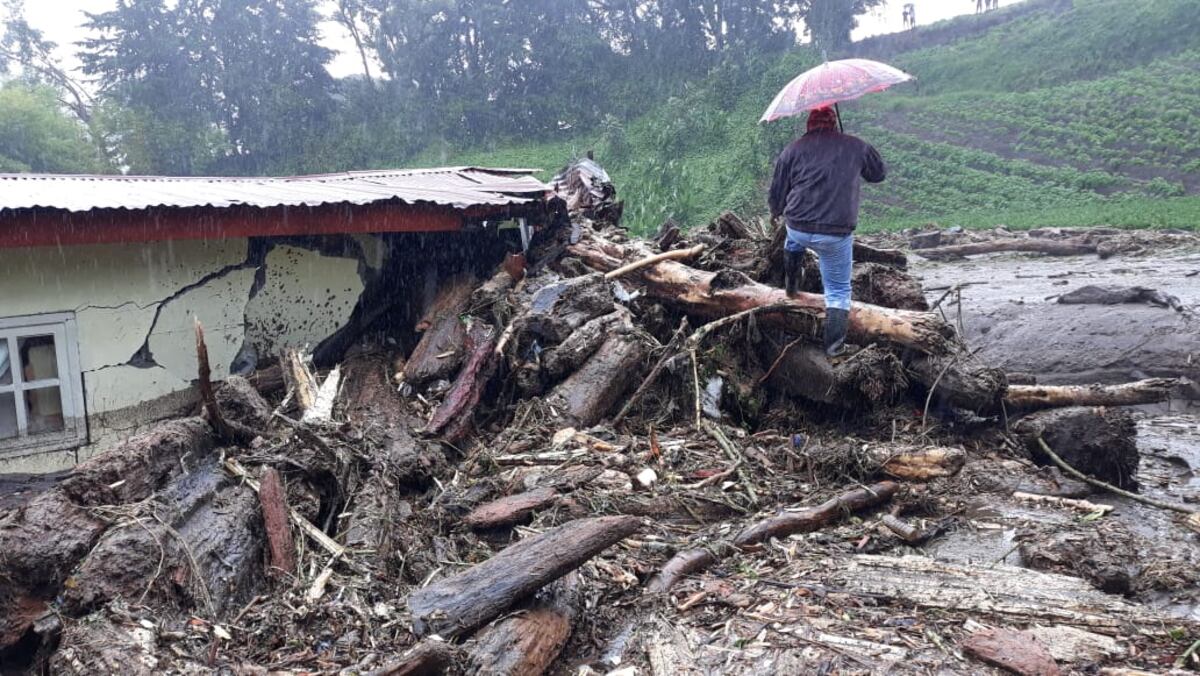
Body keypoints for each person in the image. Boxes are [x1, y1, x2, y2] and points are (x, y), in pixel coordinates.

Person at [768, 106, 887, 357]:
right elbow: (878, 175)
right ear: (833, 123)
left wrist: (775, 211)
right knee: (838, 291)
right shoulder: (855, 146)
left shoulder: (792, 150)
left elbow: (778, 191)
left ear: (809, 125)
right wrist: (856, 151)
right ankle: (834, 348)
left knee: (792, 242)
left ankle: (791, 285)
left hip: (798, 226)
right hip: (835, 234)